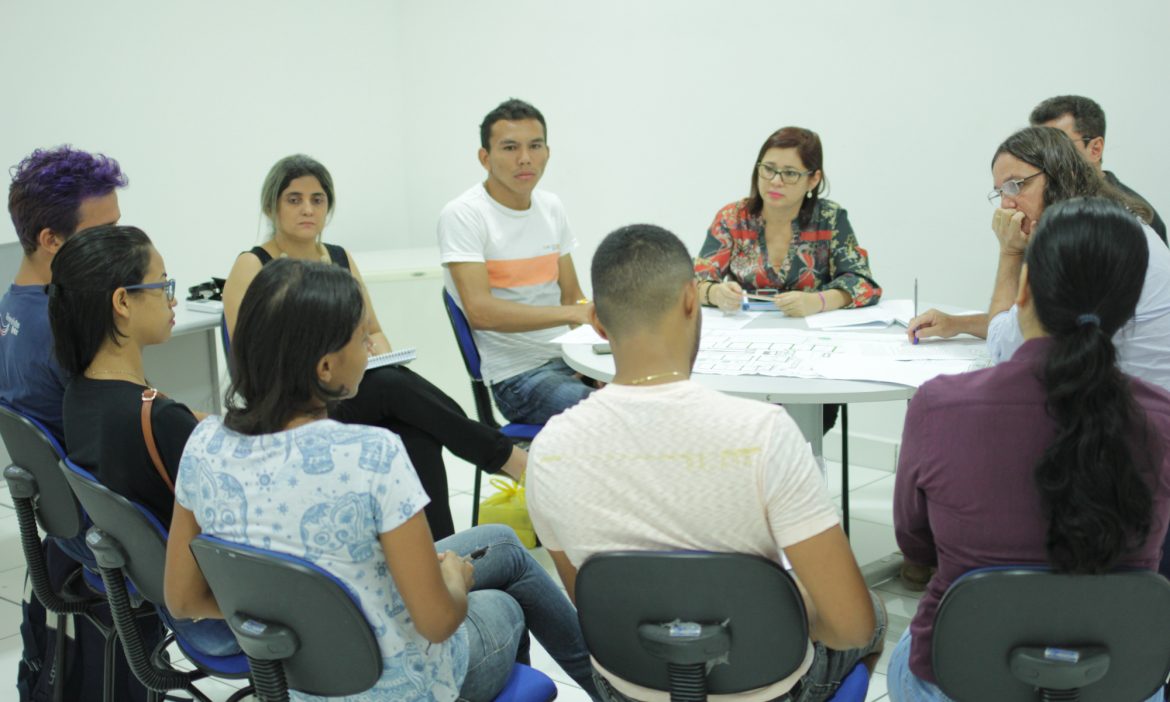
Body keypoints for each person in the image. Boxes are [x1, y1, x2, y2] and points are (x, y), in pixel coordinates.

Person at [165, 259, 600, 701]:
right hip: (398, 688)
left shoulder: (203, 444)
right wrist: (454, 581)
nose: (370, 349)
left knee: (504, 543)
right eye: (361, 338)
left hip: (291, 683)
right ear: (325, 367)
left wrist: (297, 618)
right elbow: (437, 621)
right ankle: (615, 690)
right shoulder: (372, 455)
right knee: (504, 605)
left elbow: (182, 599)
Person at [527, 224, 885, 702]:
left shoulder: (548, 450)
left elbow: (597, 606)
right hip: (767, 691)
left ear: (596, 320)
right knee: (874, 614)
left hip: (628, 690)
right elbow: (849, 627)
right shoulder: (765, 433)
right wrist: (783, 605)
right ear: (692, 301)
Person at [888, 198, 1170, 702]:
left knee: (902, 640)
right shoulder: (1161, 419)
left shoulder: (939, 404)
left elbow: (915, 546)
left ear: (1023, 289)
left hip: (960, 673)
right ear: (1128, 308)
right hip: (1116, 679)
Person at [222, 154, 525, 541]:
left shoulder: (338, 257)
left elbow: (373, 330)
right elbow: (251, 360)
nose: (308, 209)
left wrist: (377, 353)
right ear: (272, 206)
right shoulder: (253, 264)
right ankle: (506, 458)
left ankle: (444, 554)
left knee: (417, 433)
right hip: (292, 403)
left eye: (317, 199)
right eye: (294, 199)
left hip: (348, 389)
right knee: (390, 387)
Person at [47, 225, 240, 657]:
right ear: (122, 302)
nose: (172, 299)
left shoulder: (80, 394)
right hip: (215, 613)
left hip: (158, 593)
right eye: (162, 285)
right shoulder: (159, 420)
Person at [908, 127, 1170, 394]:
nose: (1006, 205)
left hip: (1141, 419)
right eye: (1000, 192)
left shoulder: (1080, 243)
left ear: (1061, 176)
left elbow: (1007, 351)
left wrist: (1009, 252)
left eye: (1016, 185)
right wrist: (958, 324)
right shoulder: (1113, 222)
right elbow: (1036, 322)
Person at [694, 126, 881, 434]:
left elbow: (863, 284)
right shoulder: (733, 217)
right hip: (744, 351)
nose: (775, 181)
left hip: (811, 355)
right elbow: (694, 282)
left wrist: (818, 301)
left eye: (790, 173)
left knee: (797, 429)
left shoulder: (830, 218)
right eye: (768, 169)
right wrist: (716, 293)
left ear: (813, 179)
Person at [438, 98, 594, 426]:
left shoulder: (551, 207)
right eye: (510, 148)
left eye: (535, 146)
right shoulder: (464, 215)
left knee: (651, 394)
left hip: (571, 360)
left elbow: (572, 296)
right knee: (609, 414)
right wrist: (573, 311)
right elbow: (481, 313)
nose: (525, 159)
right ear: (485, 157)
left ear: (547, 152)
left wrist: (601, 336)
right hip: (519, 378)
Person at [2, 146, 125, 446]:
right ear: (51, 240)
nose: (119, 241)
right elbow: (128, 433)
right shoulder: (65, 326)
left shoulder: (11, 307)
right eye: (105, 230)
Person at [1030, 95, 1166, 245]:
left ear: (1095, 149)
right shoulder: (1038, 207)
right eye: (1039, 148)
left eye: (1057, 147)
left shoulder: (1135, 217)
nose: (1044, 159)